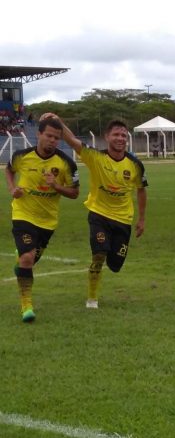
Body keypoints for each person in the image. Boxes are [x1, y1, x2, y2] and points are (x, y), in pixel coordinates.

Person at [40, 113, 147, 309]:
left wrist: (141, 219)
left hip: (123, 220)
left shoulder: (135, 165)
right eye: (116, 134)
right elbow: (72, 141)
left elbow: (141, 189)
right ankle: (92, 298)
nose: (120, 138)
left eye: (124, 135)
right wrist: (58, 121)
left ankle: (109, 266)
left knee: (115, 265)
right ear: (107, 137)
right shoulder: (95, 157)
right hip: (99, 215)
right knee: (99, 254)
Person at [5, 117, 79, 322]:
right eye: (49, 136)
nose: (52, 140)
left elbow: (74, 193)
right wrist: (12, 189)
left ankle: (21, 261)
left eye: (56, 138)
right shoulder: (22, 156)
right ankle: (26, 306)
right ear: (38, 134)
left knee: (29, 260)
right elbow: (9, 170)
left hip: (47, 221)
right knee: (27, 258)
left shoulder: (66, 163)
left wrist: (56, 186)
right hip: (23, 214)